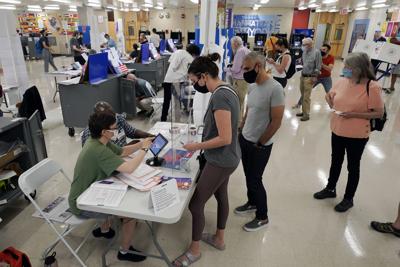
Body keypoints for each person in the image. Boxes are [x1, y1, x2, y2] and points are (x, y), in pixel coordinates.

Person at [172, 56, 240, 267]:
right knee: (221, 195)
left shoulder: (219, 97)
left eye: (194, 81)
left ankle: (194, 251)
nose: (193, 85)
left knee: (196, 204)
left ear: (203, 77)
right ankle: (219, 239)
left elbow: (225, 137)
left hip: (221, 159)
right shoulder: (228, 89)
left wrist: (196, 147)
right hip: (230, 156)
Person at [69, 111, 154, 263]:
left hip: (89, 191)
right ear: (104, 132)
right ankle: (124, 251)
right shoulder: (98, 150)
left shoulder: (98, 141)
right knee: (130, 214)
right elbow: (129, 168)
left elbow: (122, 152)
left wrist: (141, 143)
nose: (116, 130)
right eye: (114, 128)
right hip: (81, 202)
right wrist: (144, 150)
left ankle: (105, 230)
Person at [313, 52, 384, 212]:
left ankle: (348, 198)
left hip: (357, 134)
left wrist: (354, 115)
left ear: (359, 69)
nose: (344, 69)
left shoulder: (372, 87)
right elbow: (330, 95)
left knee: (353, 166)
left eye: (348, 67)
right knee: (335, 161)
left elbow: (378, 113)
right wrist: (328, 98)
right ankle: (330, 188)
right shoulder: (343, 81)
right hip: (337, 129)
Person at [234, 52, 284, 231]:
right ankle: (252, 203)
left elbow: (276, 121)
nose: (244, 72)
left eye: (246, 68)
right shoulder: (253, 86)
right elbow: (249, 110)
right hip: (245, 138)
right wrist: (241, 127)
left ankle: (262, 216)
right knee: (248, 176)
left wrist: (261, 142)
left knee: (255, 179)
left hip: (260, 144)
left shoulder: (275, 88)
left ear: (258, 66)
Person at [81, 101, 154, 147]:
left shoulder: (117, 117)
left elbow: (131, 131)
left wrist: (148, 135)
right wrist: (128, 147)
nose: (115, 122)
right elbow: (102, 156)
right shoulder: (90, 133)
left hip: (124, 154)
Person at [161, 44, 201, 122]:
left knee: (166, 101)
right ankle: (177, 122)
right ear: (194, 54)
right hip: (176, 82)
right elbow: (191, 71)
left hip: (167, 79)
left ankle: (163, 119)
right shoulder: (189, 57)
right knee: (177, 102)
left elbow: (170, 63)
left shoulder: (177, 52)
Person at [294, 43, 335, 108]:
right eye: (320, 49)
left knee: (330, 93)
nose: (321, 51)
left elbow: (330, 69)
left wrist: (321, 64)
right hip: (316, 77)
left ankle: (333, 107)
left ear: (328, 51)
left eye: (324, 49)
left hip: (326, 78)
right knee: (306, 91)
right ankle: (298, 104)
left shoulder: (331, 57)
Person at [225, 36, 250, 123]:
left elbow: (236, 69)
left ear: (235, 43)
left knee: (238, 102)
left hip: (240, 80)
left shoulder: (239, 51)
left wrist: (226, 69)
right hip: (245, 80)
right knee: (241, 102)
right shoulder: (245, 49)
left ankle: (237, 123)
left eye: (231, 44)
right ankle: (240, 121)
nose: (231, 46)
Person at [295, 38, 322, 121]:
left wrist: (315, 76)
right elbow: (303, 63)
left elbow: (318, 66)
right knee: (303, 95)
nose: (303, 46)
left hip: (310, 77)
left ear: (310, 44)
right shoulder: (304, 52)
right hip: (303, 76)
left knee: (306, 97)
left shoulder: (316, 53)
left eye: (304, 45)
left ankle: (306, 114)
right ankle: (303, 112)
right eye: (302, 44)